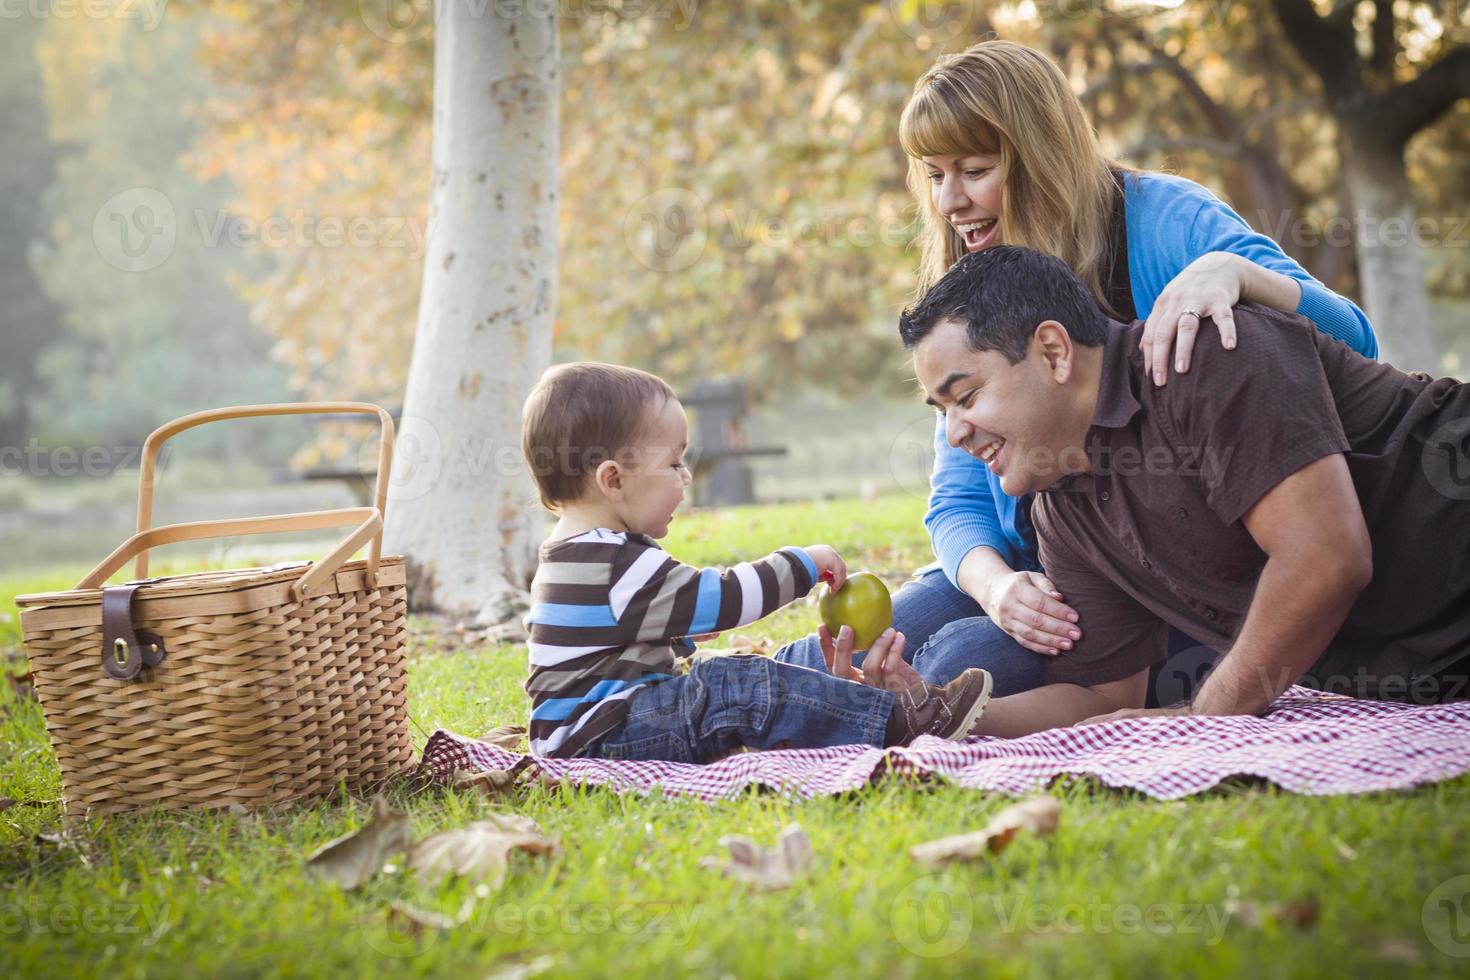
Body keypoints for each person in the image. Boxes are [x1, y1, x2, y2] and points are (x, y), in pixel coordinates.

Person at [776, 39, 1379, 701]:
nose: (949, 200)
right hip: (1038, 568)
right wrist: (996, 586)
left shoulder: (1167, 224)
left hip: (1166, 576)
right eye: (934, 174)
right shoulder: (976, 288)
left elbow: (1353, 343)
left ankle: (875, 714)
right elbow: (958, 498)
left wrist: (1235, 273)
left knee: (964, 660)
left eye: (974, 169)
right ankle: (720, 702)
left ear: (1039, 157)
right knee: (871, 635)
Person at [852, 244, 1467, 737]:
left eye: (966, 397)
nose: (955, 433)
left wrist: (1208, 718)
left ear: (1052, 351)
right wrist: (929, 715)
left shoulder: (1207, 357)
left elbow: (1326, 558)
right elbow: (1098, 695)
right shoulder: (1061, 508)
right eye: (941, 410)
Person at [518, 362, 994, 761]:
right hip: (604, 738)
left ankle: (853, 715)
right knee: (733, 684)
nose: (685, 477)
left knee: (725, 679)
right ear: (613, 480)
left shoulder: (578, 554)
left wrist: (677, 630)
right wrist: (803, 565)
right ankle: (898, 721)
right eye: (673, 463)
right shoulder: (608, 560)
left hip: (596, 733)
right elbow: (724, 598)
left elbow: (608, 642)